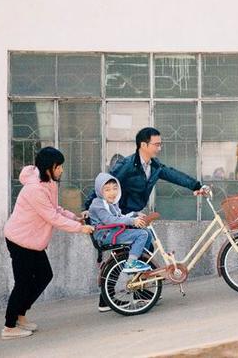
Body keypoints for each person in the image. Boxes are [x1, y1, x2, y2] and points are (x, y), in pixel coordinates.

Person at [84, 127, 207, 312]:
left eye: (160, 144)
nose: (159, 147)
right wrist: (88, 208)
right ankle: (107, 298)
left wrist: (195, 186)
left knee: (145, 245)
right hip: (119, 215)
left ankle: (139, 290)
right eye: (156, 144)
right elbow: (105, 186)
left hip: (132, 214)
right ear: (143, 145)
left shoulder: (155, 166)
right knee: (125, 254)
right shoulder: (127, 165)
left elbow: (173, 174)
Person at [2, 147, 94, 340]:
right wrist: (79, 229)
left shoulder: (48, 182)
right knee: (23, 283)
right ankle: (9, 326)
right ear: (48, 167)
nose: (61, 170)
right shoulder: (34, 189)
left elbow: (55, 209)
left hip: (32, 241)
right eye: (58, 166)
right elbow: (51, 217)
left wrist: (75, 218)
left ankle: (20, 315)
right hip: (20, 240)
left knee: (44, 275)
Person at [88, 173, 151, 272]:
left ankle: (139, 258)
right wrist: (132, 221)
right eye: (107, 189)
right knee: (142, 234)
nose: (112, 192)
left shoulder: (111, 203)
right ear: (100, 191)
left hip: (112, 231)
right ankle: (131, 263)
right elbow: (109, 220)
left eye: (115, 188)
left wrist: (135, 214)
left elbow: (119, 216)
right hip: (105, 235)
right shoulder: (98, 204)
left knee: (147, 232)